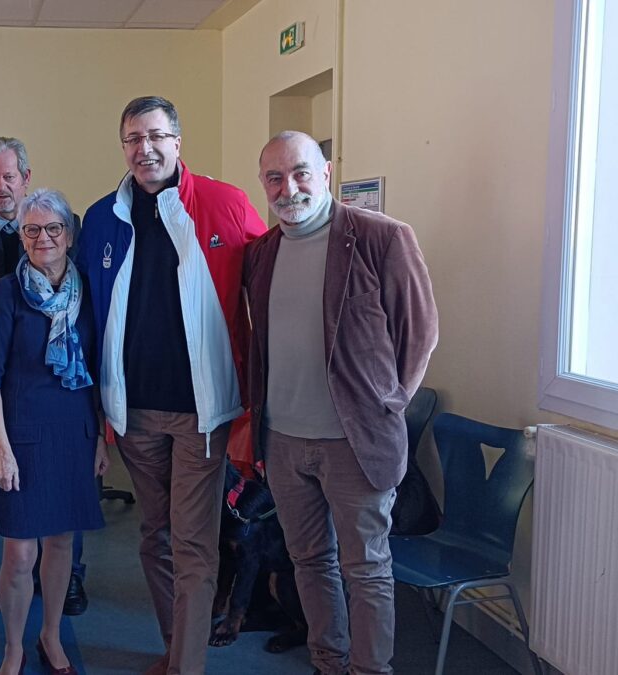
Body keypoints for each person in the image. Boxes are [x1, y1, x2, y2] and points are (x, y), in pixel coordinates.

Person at [74, 95, 265, 675]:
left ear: (178, 142)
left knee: (193, 545)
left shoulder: (225, 203)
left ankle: (187, 665)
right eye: (132, 138)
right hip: (134, 414)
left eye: (155, 135)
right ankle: (175, 647)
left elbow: (269, 286)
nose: (145, 148)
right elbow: (83, 306)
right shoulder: (103, 216)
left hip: (201, 415)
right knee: (153, 538)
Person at [245, 131, 439, 675]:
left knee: (367, 568)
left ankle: (370, 670)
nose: (290, 187)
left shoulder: (381, 237)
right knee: (309, 560)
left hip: (355, 443)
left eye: (301, 172)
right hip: (283, 442)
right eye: (275, 177)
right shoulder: (261, 252)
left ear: (326, 172)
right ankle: (329, 662)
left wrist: (388, 403)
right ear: (263, 183)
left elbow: (419, 333)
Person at [0, 136, 90, 615]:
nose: (0, 185)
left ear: (26, 177)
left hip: (60, 383)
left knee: (67, 495)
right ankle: (16, 573)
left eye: (9, 176)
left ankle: (69, 578)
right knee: (10, 481)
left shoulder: (64, 222)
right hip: (0, 382)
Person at [0, 189, 108, 675]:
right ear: (21, 237)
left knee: (60, 546)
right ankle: (14, 646)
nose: (43, 238)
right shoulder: (8, 292)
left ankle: (51, 636)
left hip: (74, 432)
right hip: (22, 438)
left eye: (53, 228)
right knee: (19, 552)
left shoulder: (88, 290)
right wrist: (0, 450)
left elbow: (97, 369)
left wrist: (99, 439)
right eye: (31, 229)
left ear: (69, 235)